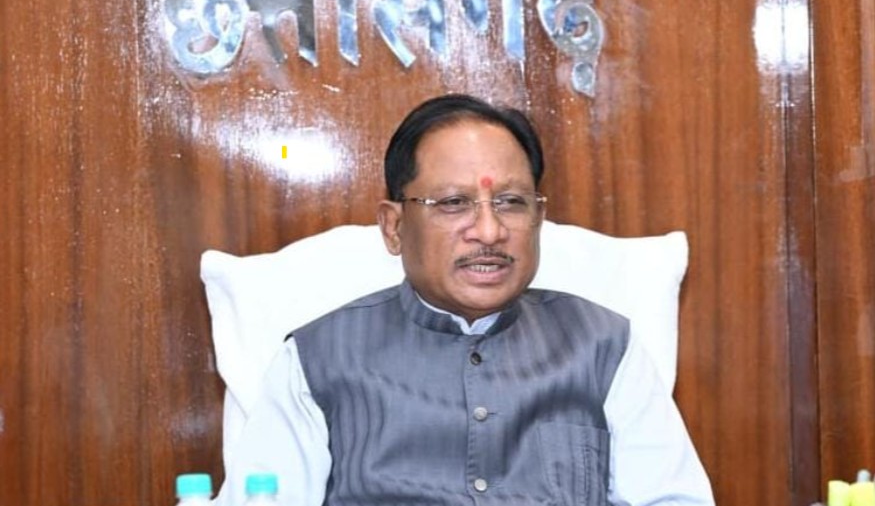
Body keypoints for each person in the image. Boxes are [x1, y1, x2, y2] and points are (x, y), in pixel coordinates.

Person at [215, 94, 715, 506]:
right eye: (454, 203)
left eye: (511, 202)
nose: (490, 231)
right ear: (393, 226)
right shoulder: (317, 359)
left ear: (538, 218)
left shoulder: (605, 347)